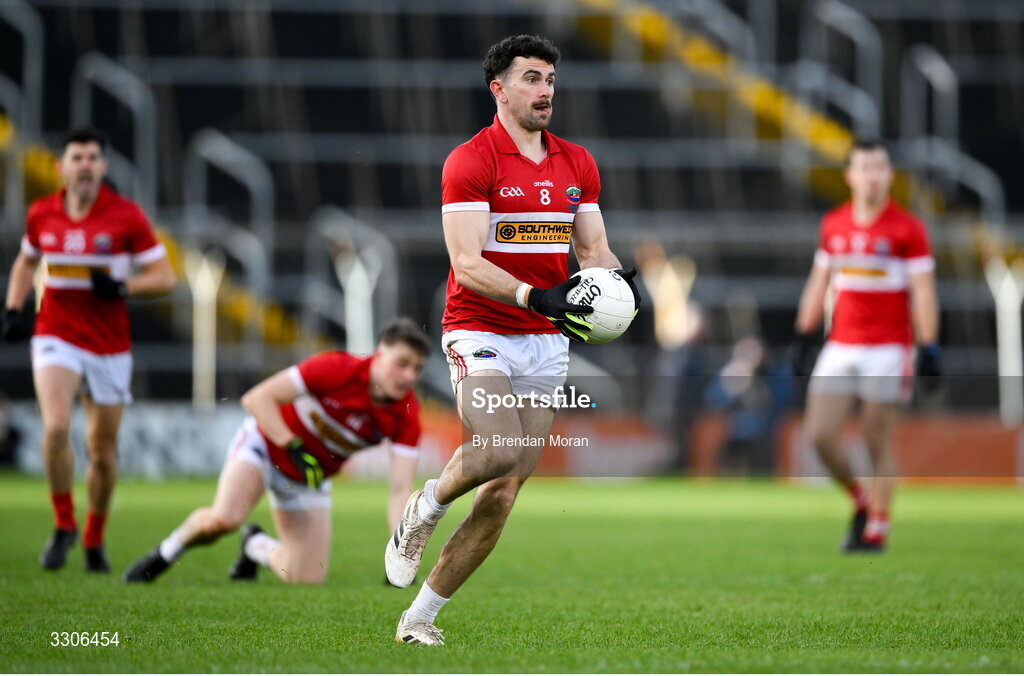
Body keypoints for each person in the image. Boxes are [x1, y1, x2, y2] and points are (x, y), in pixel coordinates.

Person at [383, 35, 640, 646]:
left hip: (546, 342)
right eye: (531, 78)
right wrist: (535, 295)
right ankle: (425, 507)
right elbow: (467, 263)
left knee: (501, 495)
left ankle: (418, 619)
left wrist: (623, 287)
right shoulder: (471, 161)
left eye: (550, 78)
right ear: (497, 88)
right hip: (479, 330)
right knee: (497, 447)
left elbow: (593, 249)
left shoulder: (577, 161)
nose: (545, 90)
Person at [123, 318, 429, 585]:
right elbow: (257, 399)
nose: (409, 376)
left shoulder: (407, 414)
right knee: (224, 520)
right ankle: (165, 553)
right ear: (378, 355)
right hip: (266, 448)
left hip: (308, 477)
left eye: (417, 368)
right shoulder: (337, 368)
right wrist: (291, 444)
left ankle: (254, 545)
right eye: (402, 363)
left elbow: (400, 489)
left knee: (306, 578)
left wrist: (401, 554)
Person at [0, 127, 176, 573]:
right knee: (56, 427)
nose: (85, 164)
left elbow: (165, 277)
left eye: (93, 157)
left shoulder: (126, 217)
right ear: (60, 168)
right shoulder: (42, 214)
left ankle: (94, 537)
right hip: (55, 334)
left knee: (101, 448)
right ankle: (64, 525)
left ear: (103, 167)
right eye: (76, 157)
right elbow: (26, 260)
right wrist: (14, 306)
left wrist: (122, 285)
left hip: (108, 344)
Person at [792, 139, 941, 553]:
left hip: (888, 349)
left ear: (890, 174)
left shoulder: (907, 229)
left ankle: (877, 527)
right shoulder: (834, 225)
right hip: (841, 346)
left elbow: (924, 293)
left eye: (879, 168)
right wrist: (805, 334)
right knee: (820, 435)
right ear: (850, 176)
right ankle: (861, 500)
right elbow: (819, 282)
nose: (873, 176)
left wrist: (929, 347)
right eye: (865, 168)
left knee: (877, 437)